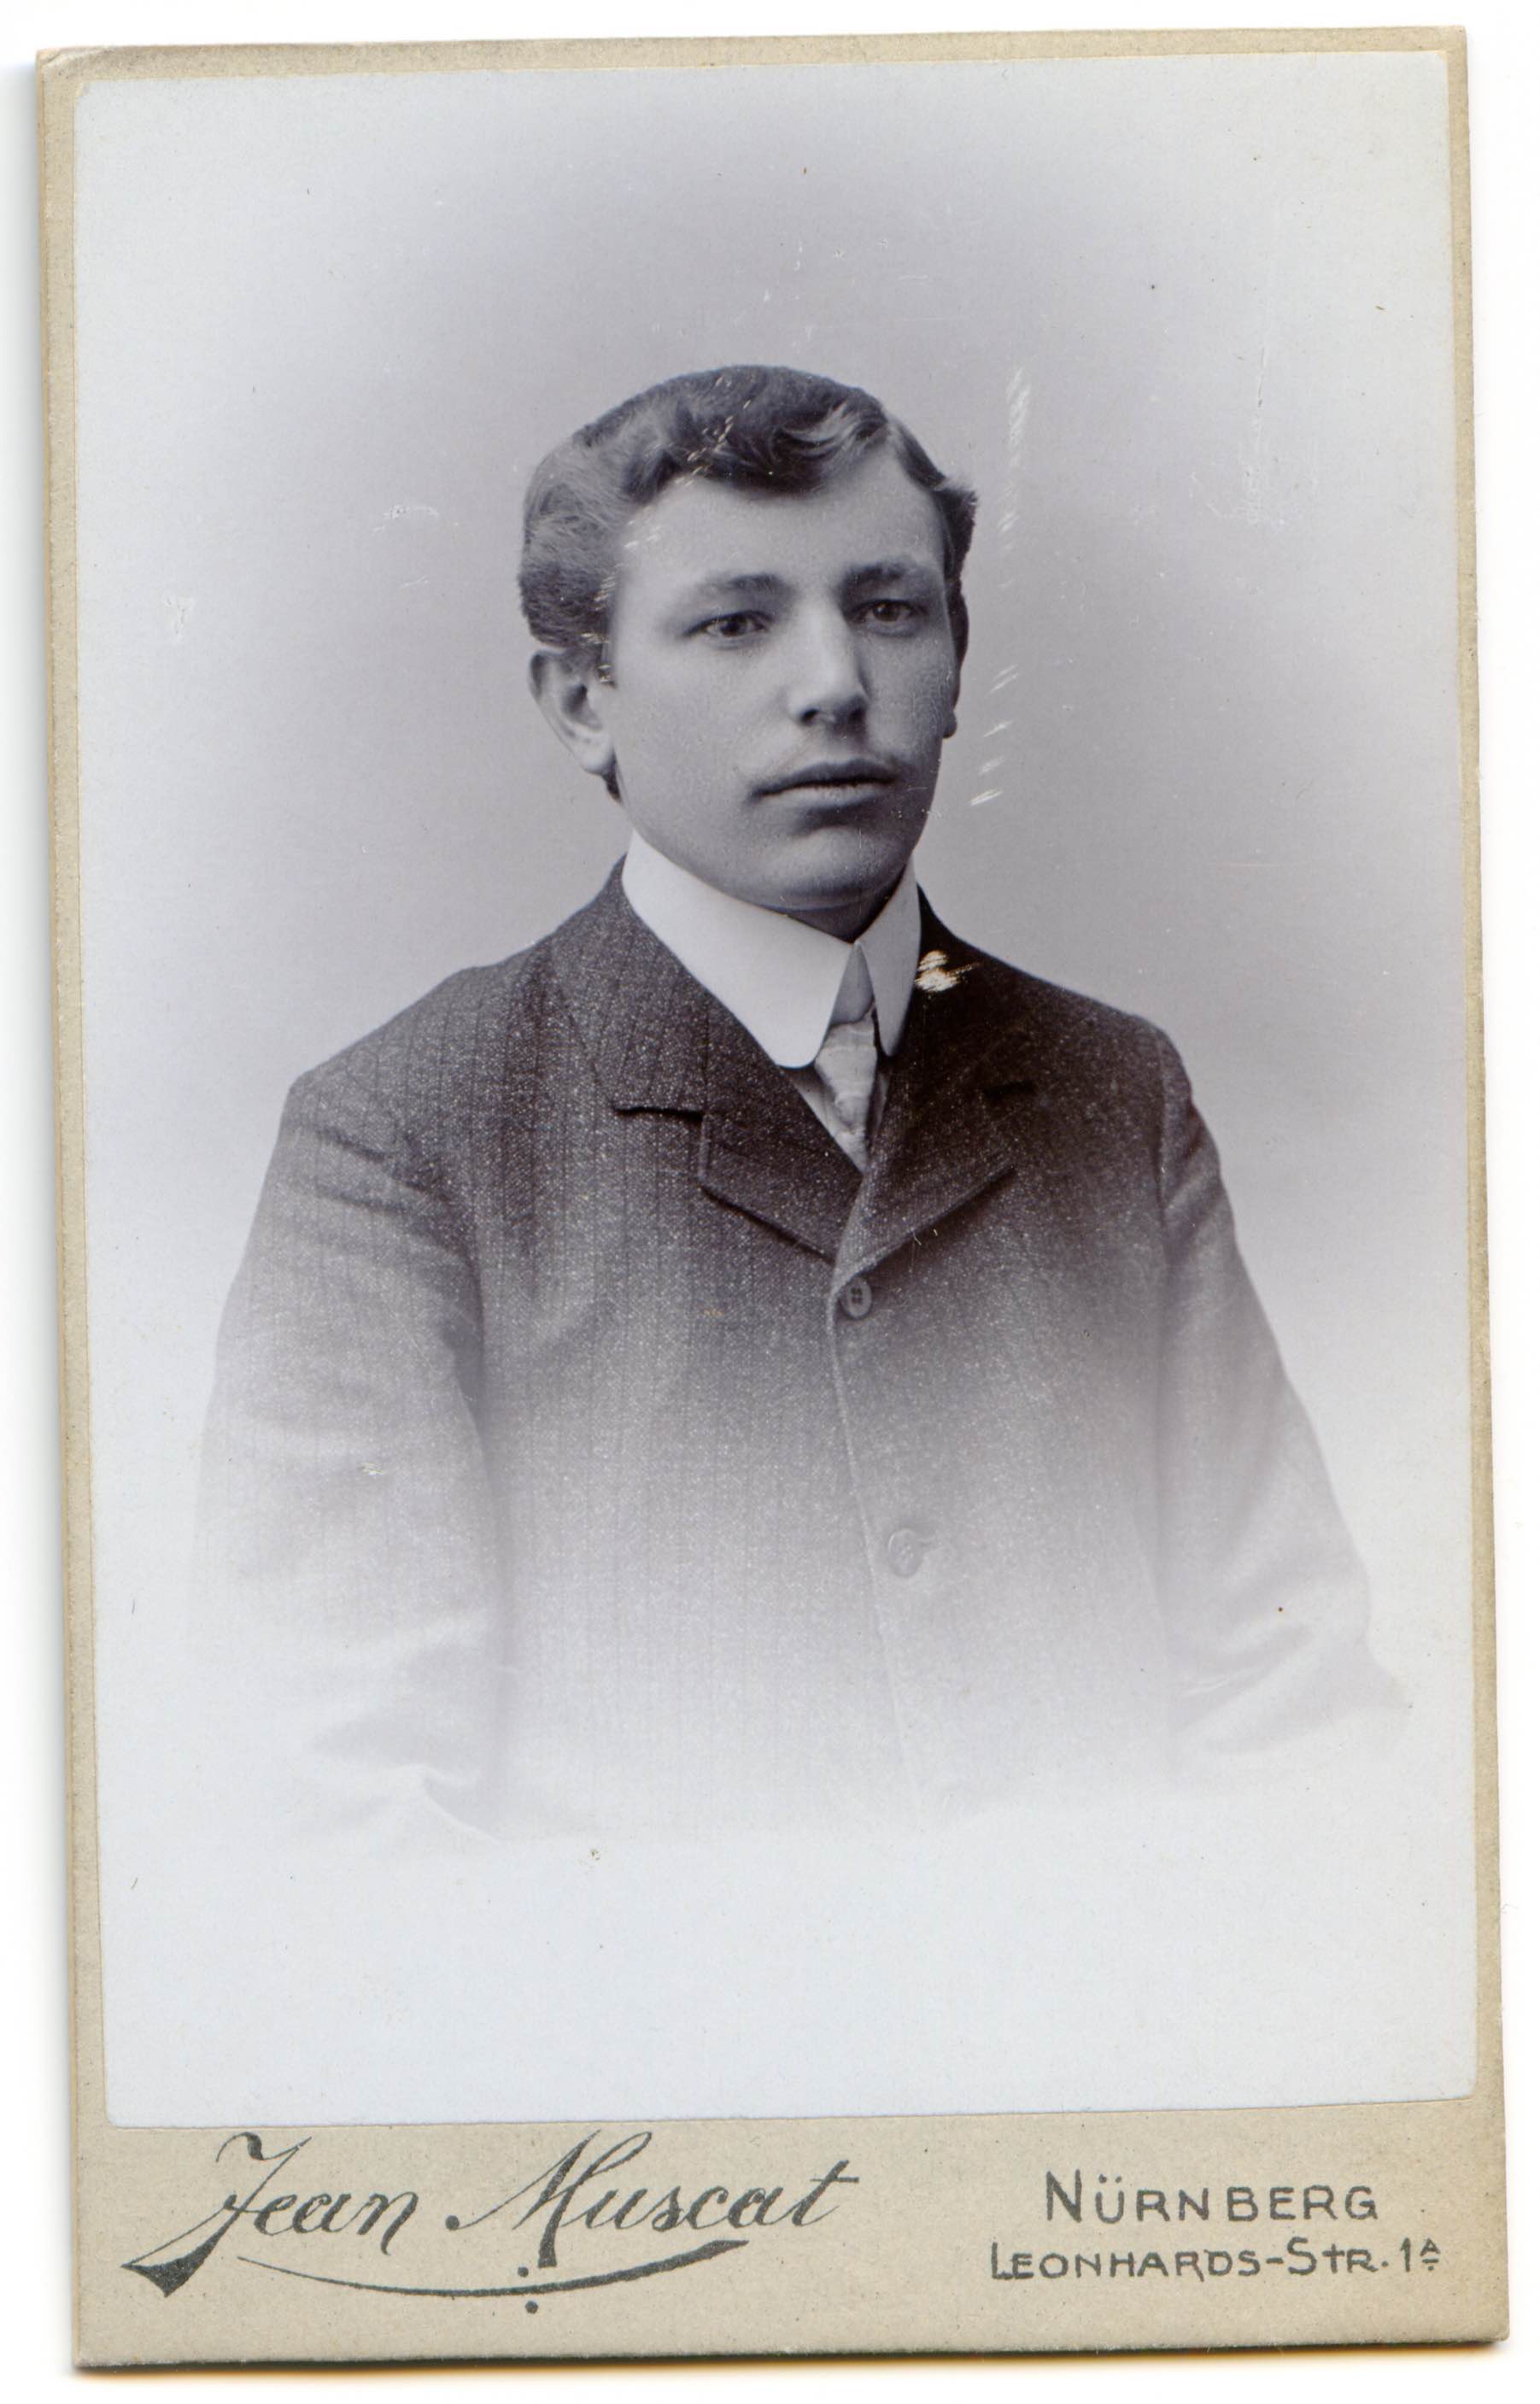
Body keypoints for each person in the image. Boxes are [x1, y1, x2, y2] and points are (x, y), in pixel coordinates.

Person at [198, 363, 1394, 1842]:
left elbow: (1295, 1706)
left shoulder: (1112, 1086)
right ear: (582, 701)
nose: (834, 682)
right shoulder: (402, 1132)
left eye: (888, 608)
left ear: (957, 658)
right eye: (736, 622)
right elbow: (343, 1811)